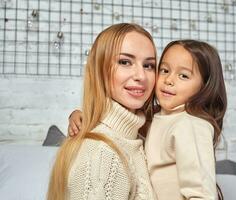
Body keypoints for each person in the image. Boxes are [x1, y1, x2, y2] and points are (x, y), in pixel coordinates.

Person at [68, 40, 227, 200]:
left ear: (204, 86)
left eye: (183, 76)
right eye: (164, 70)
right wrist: (81, 115)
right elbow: (120, 124)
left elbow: (202, 195)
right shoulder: (159, 118)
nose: (169, 80)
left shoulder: (192, 125)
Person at [47, 23, 158, 200]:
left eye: (149, 65)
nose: (141, 76)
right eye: (125, 62)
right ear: (100, 70)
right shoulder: (103, 153)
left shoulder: (137, 139)